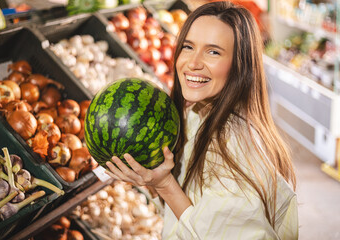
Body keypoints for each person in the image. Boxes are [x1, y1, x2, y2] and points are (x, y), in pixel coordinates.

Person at [105, 1, 298, 239]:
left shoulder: (235, 147)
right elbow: (197, 210)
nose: (193, 63)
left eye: (213, 51)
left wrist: (165, 184)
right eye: (188, 47)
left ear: (240, 65)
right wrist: (154, 181)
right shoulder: (198, 113)